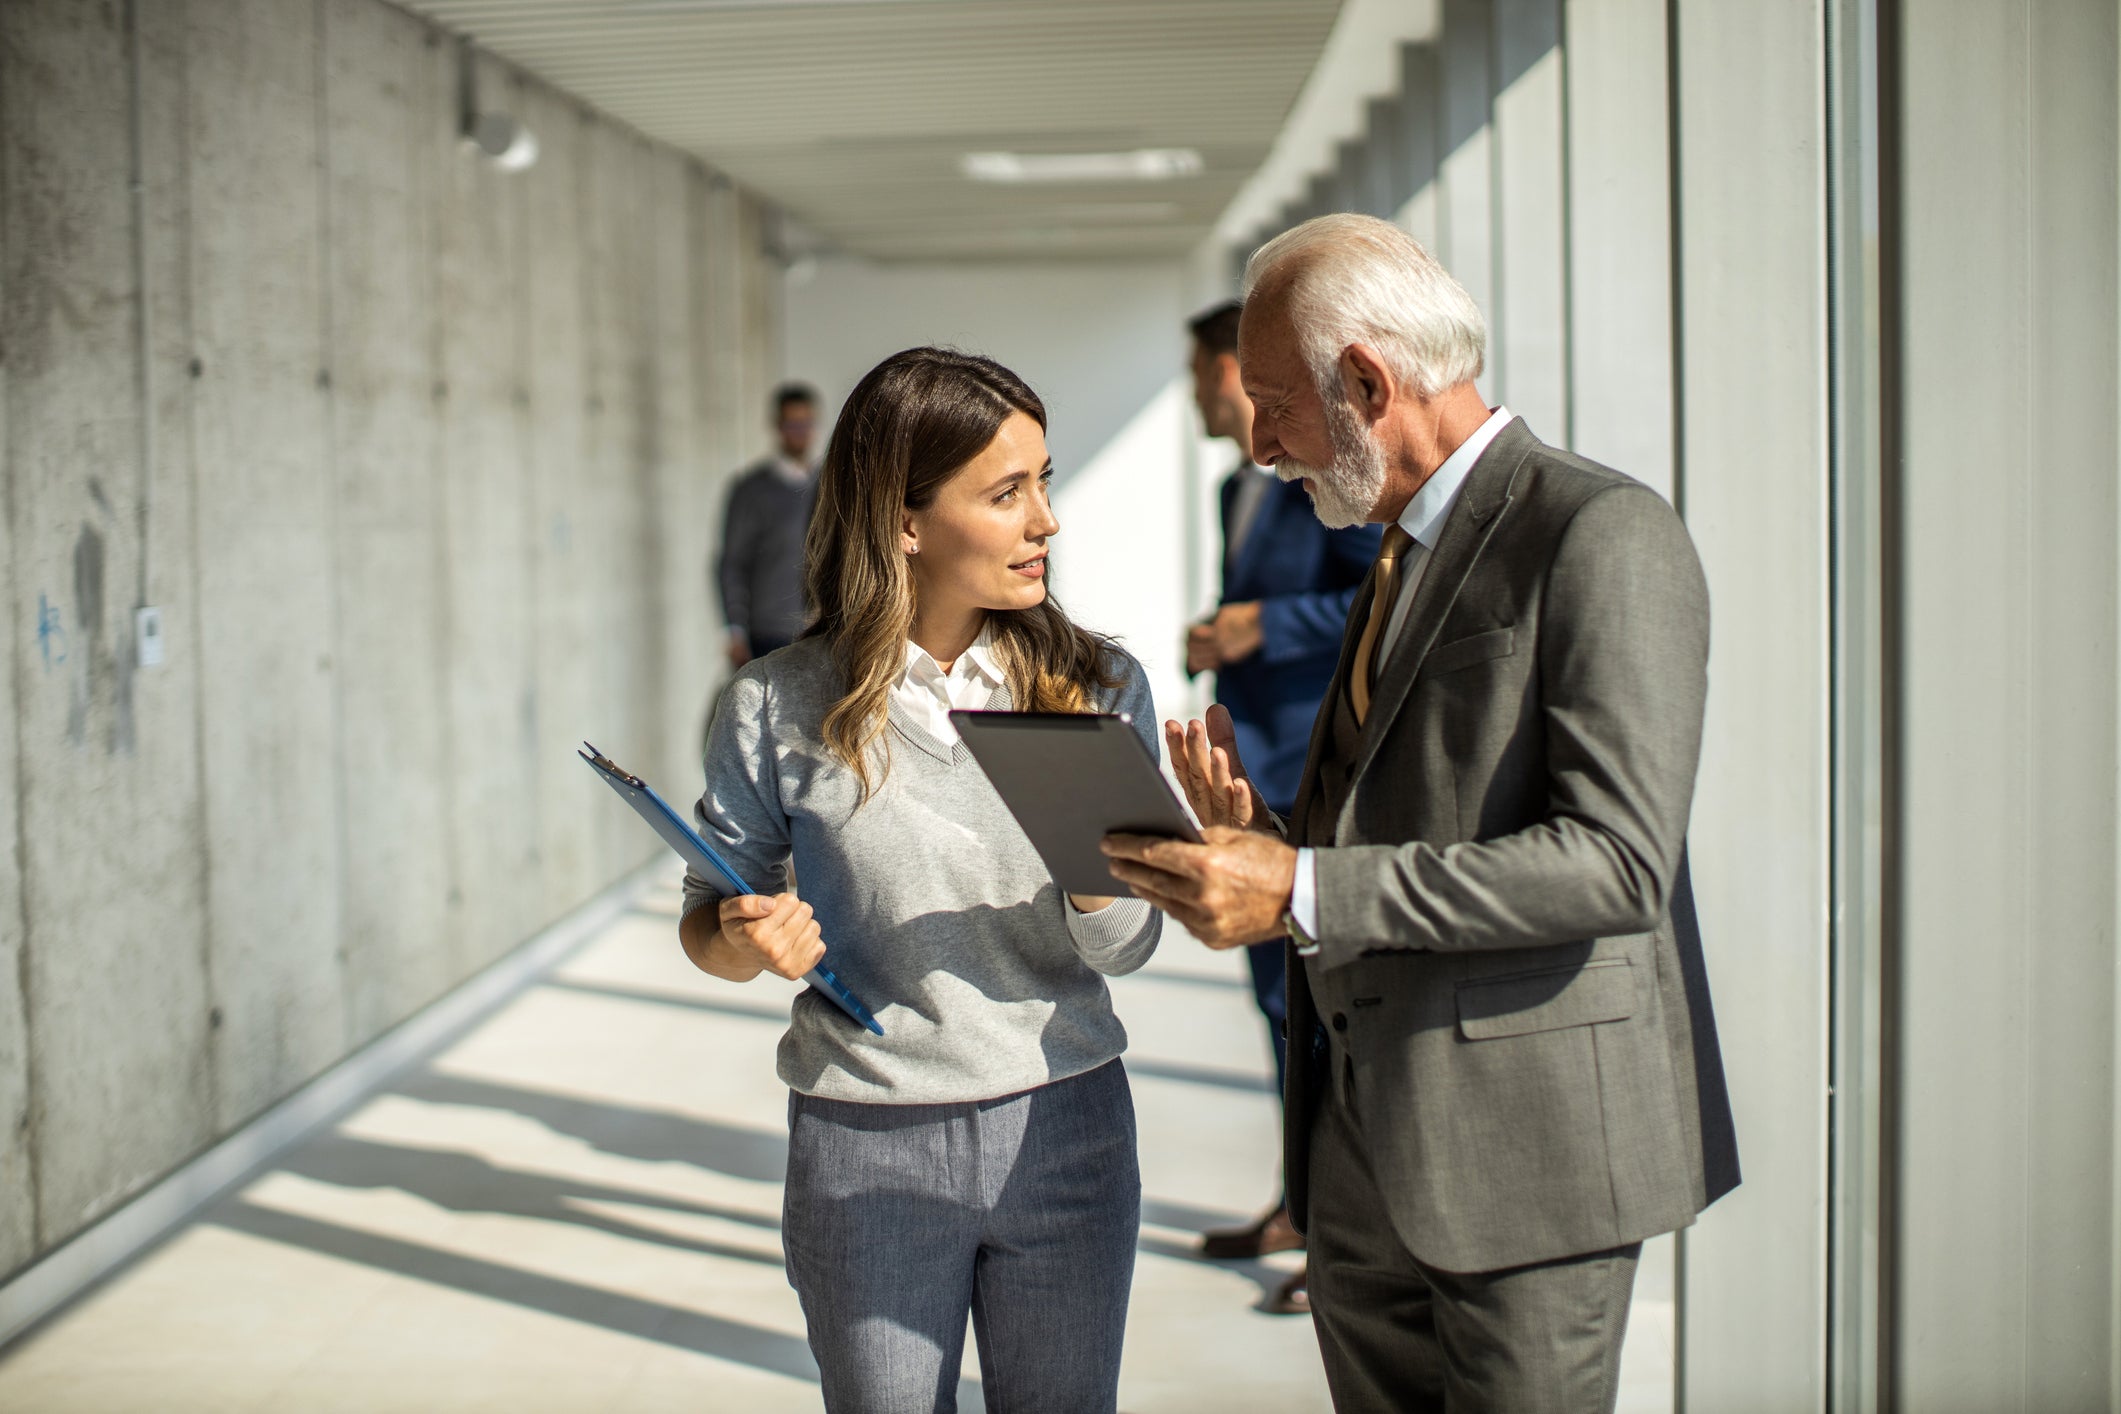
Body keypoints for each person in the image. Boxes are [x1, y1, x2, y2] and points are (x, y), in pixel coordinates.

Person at [1103, 214, 1740, 1413]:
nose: (1260, 439)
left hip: (1526, 1169)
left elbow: (1615, 865)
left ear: (1367, 381)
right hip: (1365, 1164)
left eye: (1273, 400)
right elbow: (1419, 817)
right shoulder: (1399, 549)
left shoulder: (1599, 533)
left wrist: (1299, 889)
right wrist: (1269, 843)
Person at [678, 347, 1162, 1414]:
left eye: (1045, 479)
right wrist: (745, 935)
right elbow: (705, 921)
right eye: (1007, 492)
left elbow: (1126, 946)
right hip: (868, 1144)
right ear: (905, 521)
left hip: (1067, 1126)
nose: (1047, 519)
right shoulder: (773, 705)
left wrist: (1100, 856)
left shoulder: (1096, 684)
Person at [1181, 299, 1378, 1310]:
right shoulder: (1234, 492)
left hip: (1315, 776)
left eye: (1207, 373)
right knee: (1273, 1005)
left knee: (1323, 1013)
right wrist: (1218, 638)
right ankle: (1301, 1203)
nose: (1200, 395)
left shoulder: (1331, 492)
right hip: (1252, 778)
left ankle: (1339, 1233)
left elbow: (1376, 597)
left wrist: (1262, 627)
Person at [717, 382, 822, 669]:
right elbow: (732, 563)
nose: (799, 432)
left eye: (805, 423)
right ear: (778, 426)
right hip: (768, 633)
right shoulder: (751, 490)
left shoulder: (829, 484)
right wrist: (734, 630)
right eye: (792, 424)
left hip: (821, 630)